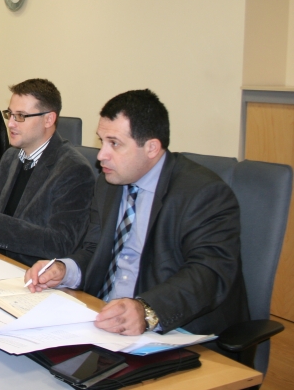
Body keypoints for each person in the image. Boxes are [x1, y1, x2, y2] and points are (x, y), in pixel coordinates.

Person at [26, 89, 248, 336]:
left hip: (171, 330)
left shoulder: (203, 193)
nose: (101, 156)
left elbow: (209, 274)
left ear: (151, 148)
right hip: (102, 319)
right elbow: (94, 250)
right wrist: (65, 270)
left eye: (114, 144)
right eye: (102, 141)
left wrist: (147, 310)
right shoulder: (108, 183)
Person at [0, 79, 95, 266]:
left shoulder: (74, 170)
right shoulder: (11, 156)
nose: (11, 124)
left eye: (20, 116)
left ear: (48, 119)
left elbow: (61, 243)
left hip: (31, 269)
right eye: (10, 114)